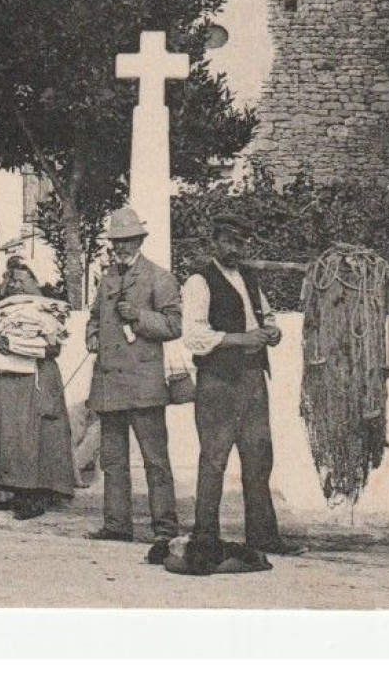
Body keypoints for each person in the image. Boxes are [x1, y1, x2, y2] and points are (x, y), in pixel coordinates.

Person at [180, 213, 305, 556]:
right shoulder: (198, 282)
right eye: (228, 241)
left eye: (241, 242)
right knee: (214, 459)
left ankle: (263, 537)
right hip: (218, 381)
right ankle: (205, 536)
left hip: (253, 378)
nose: (235, 249)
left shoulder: (249, 278)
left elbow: (266, 316)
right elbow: (193, 336)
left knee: (258, 457)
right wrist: (242, 338)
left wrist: (273, 332)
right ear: (215, 242)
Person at [85, 206, 183, 543]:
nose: (122, 247)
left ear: (140, 239)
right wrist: (92, 335)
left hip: (144, 385)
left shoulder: (160, 277)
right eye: (117, 242)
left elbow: (174, 325)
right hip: (110, 382)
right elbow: (95, 317)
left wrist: (140, 316)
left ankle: (166, 529)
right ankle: (117, 525)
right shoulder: (108, 278)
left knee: (155, 460)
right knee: (113, 461)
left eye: (128, 241)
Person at [0, 290, 76, 520]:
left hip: (36, 376)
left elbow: (53, 347)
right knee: (8, 432)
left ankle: (36, 495)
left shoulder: (46, 310)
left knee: (35, 432)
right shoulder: (6, 309)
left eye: (22, 278)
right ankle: (16, 490)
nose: (17, 283)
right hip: (5, 374)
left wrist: (20, 345)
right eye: (13, 278)